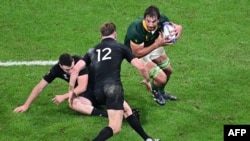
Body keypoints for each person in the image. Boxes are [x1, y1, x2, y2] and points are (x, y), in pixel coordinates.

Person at [68, 22, 160, 141]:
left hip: (98, 91)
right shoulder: (120, 47)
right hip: (113, 89)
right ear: (115, 35)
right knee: (115, 127)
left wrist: (71, 91)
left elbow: (75, 69)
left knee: (127, 111)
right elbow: (141, 67)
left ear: (101, 36)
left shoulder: (92, 50)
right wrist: (147, 81)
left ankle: (147, 139)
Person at [13, 53, 108, 117]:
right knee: (73, 103)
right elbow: (40, 87)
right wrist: (26, 105)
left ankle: (118, 110)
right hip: (87, 96)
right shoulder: (56, 70)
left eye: (72, 67)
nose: (71, 71)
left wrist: (64, 96)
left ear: (73, 62)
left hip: (100, 88)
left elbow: (82, 87)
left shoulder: (80, 62)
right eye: (67, 70)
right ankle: (105, 115)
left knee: (118, 103)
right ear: (60, 66)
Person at [124, 5, 183, 105]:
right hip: (138, 54)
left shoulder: (162, 19)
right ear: (144, 19)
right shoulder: (136, 30)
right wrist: (157, 44)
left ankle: (162, 92)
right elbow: (137, 53)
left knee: (168, 71)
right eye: (148, 21)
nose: (151, 24)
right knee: (162, 78)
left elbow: (177, 26)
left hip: (153, 45)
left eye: (154, 21)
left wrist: (179, 29)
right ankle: (155, 91)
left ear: (158, 19)